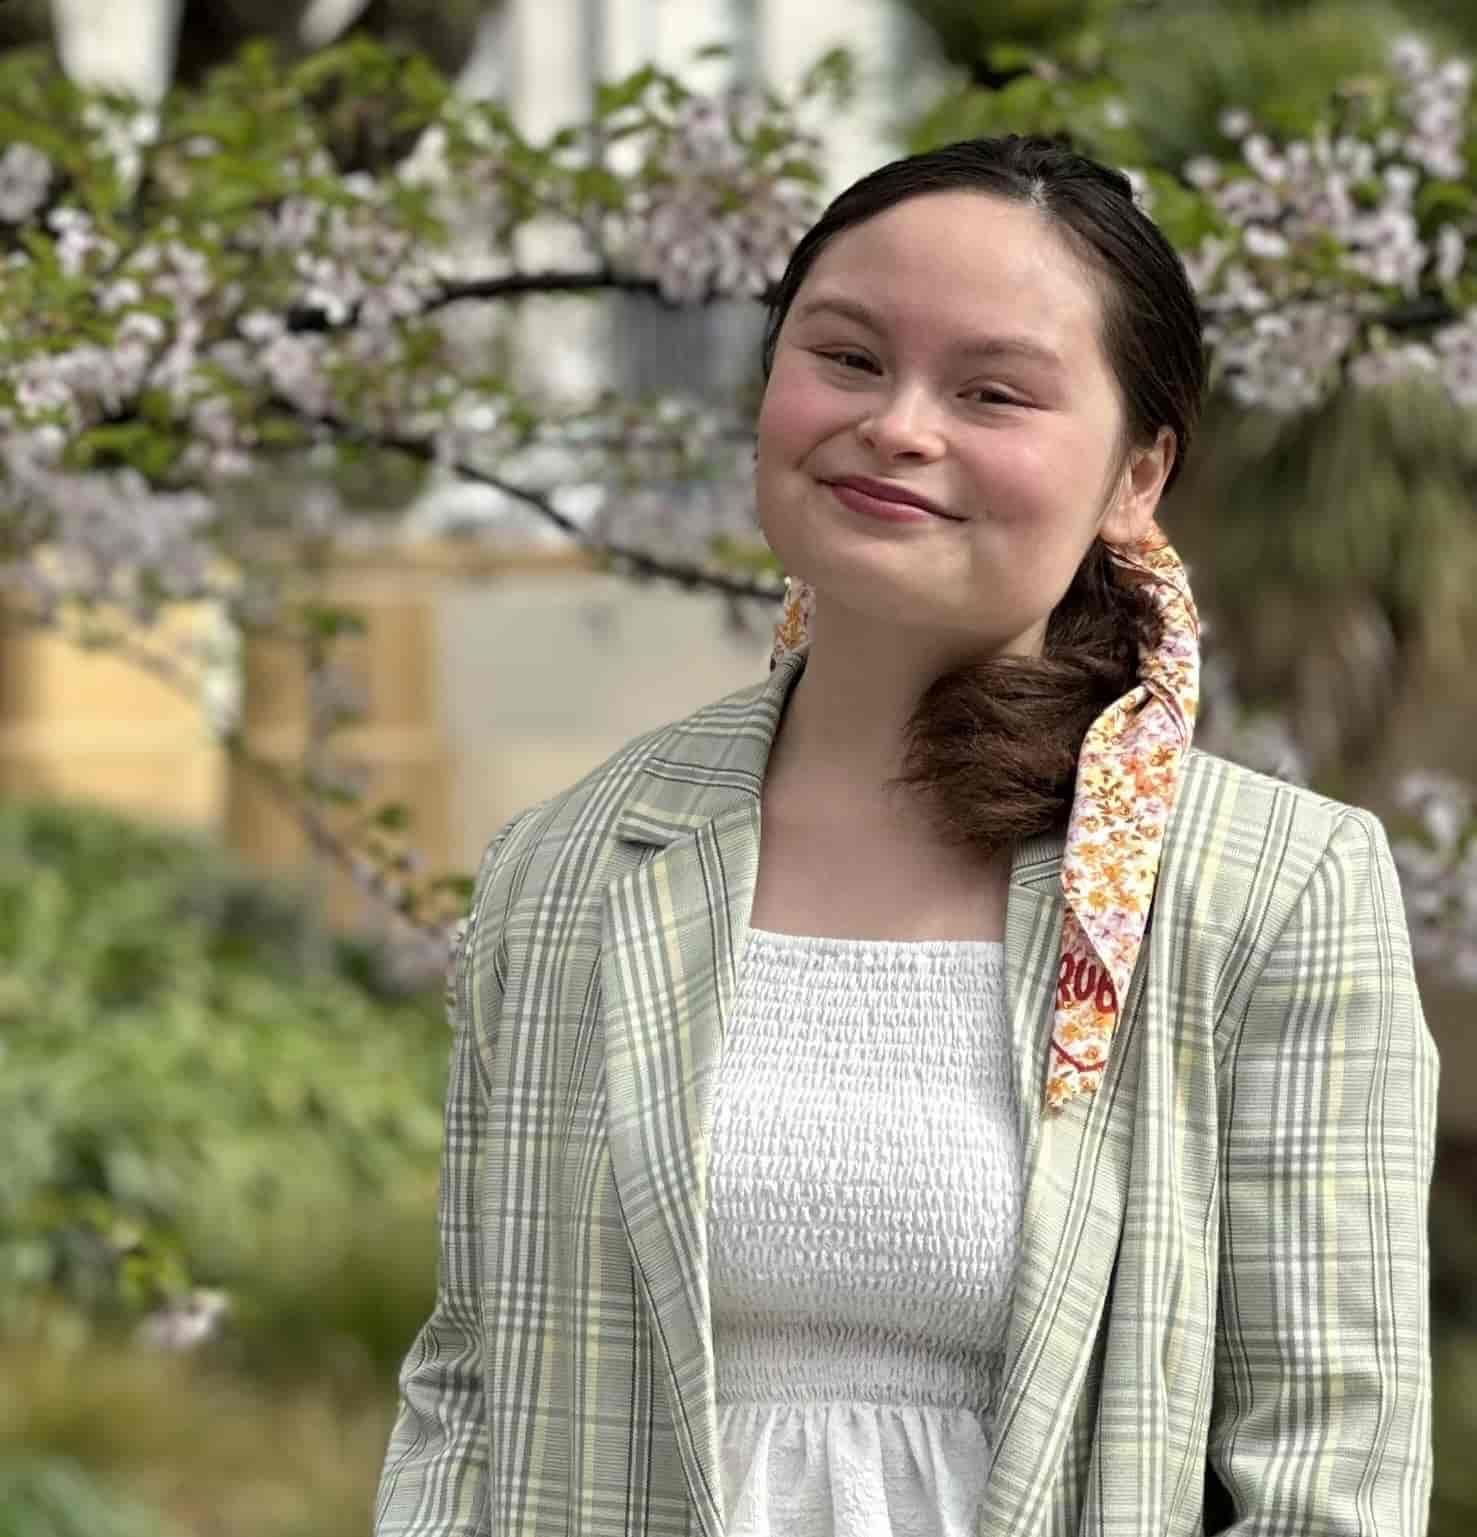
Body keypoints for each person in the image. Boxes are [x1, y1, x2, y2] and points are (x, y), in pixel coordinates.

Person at [374, 134, 1438, 1537]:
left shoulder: (1264, 892)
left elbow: (1329, 1475)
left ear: (1140, 473)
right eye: (850, 358)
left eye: (993, 390)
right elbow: (470, 1390)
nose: (899, 426)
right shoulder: (570, 868)